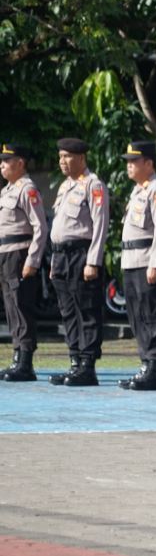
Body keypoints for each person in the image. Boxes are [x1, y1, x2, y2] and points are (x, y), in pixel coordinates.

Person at [47, 138, 108, 387]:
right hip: (61, 255)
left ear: (81, 158)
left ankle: (87, 365)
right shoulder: (66, 187)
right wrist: (54, 261)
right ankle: (74, 361)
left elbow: (100, 225)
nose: (62, 161)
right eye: (60, 156)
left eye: (67, 156)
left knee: (86, 310)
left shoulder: (93, 185)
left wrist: (93, 261)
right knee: (68, 311)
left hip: (81, 255)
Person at [116, 141, 156, 391]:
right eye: (127, 161)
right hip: (132, 261)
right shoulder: (138, 190)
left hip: (148, 260)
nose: (129, 166)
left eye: (134, 161)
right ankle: (145, 364)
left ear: (149, 163)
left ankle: (154, 368)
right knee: (137, 316)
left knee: (152, 316)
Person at [0, 144, 47, 382]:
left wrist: (33, 260)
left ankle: (26, 362)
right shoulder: (7, 191)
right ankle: (17, 357)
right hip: (6, 254)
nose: (2, 165)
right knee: (11, 307)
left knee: (22, 306)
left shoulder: (27, 190)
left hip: (20, 254)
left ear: (20, 163)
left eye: (7, 161)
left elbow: (40, 227)